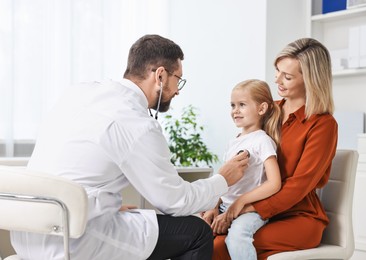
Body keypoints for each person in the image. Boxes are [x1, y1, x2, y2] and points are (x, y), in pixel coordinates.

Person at [10, 34, 250, 260]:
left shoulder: (77, 93)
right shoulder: (136, 122)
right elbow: (174, 201)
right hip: (74, 241)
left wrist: (104, 206)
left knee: (146, 223)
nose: (177, 90)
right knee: (196, 232)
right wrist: (222, 180)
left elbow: (72, 168)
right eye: (178, 80)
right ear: (160, 75)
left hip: (30, 231)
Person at [212, 37, 338, 259]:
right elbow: (243, 166)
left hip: (298, 217)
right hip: (254, 211)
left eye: (287, 77)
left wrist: (241, 208)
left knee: (221, 246)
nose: (277, 80)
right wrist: (217, 203)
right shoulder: (268, 110)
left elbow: (298, 187)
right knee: (204, 237)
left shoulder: (322, 125)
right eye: (277, 71)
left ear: (310, 80)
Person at [201, 79, 282, 260]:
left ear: (261, 109)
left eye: (242, 105)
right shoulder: (233, 142)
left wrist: (239, 204)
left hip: (249, 211)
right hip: (224, 207)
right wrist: (213, 207)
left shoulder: (262, 140)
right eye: (232, 105)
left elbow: (275, 183)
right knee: (195, 230)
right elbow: (225, 183)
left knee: (237, 238)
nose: (235, 110)